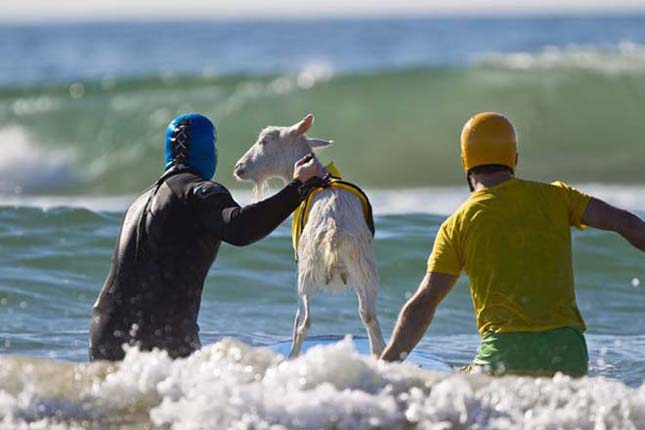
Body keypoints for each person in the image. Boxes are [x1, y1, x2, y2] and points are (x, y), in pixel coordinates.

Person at [380, 112, 645, 376]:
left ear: (465, 162)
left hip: (503, 356)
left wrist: (384, 367)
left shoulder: (456, 224)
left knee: (457, 382)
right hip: (568, 354)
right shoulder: (558, 197)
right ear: (514, 157)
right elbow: (625, 222)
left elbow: (425, 302)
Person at [89, 113, 327, 361]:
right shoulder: (199, 191)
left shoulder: (139, 203)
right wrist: (299, 187)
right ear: (207, 150)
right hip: (156, 337)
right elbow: (240, 227)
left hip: (104, 333)